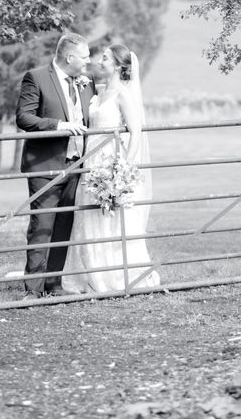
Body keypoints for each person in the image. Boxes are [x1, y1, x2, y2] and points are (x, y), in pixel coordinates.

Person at [62, 44, 161, 293]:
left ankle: (116, 274)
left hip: (110, 163)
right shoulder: (100, 91)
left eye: (104, 58)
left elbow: (136, 131)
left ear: (117, 65)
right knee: (89, 216)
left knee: (113, 218)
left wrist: (124, 167)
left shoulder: (123, 94)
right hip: (91, 164)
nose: (99, 61)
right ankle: (91, 274)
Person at [16, 32, 95, 299]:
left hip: (77, 166)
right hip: (46, 166)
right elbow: (24, 117)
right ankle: (33, 289)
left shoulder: (86, 82)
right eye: (84, 56)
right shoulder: (36, 77)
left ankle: (53, 284)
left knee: (64, 225)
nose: (88, 61)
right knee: (42, 226)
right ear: (70, 56)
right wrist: (59, 126)